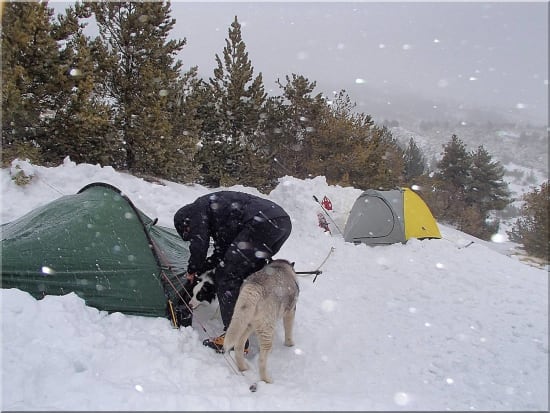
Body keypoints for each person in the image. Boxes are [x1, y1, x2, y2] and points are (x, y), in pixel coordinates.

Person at [173, 191, 292, 351]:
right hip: (280, 223)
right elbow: (221, 253)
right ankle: (256, 315)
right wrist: (202, 268)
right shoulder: (218, 215)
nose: (192, 235)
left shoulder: (195, 211)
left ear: (185, 224)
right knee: (247, 272)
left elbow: (199, 245)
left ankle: (235, 336)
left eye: (188, 234)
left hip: (262, 222)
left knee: (226, 276)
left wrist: (192, 268)